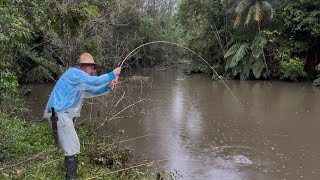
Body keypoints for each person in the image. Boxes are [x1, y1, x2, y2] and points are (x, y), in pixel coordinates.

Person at [43, 53, 121, 179]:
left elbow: (95, 90)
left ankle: (71, 176)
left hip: (61, 115)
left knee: (73, 146)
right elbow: (95, 81)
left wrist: (109, 85)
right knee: (72, 148)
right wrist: (113, 73)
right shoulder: (74, 73)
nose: (93, 71)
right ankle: (71, 177)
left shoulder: (80, 81)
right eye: (92, 67)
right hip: (58, 113)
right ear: (85, 66)